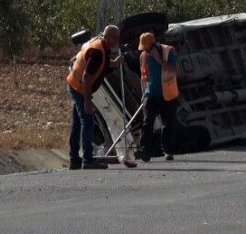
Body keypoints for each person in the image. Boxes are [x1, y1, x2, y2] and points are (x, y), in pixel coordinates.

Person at [65, 25, 130, 170]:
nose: (116, 41)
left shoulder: (100, 45)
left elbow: (98, 66)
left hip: (74, 85)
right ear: (106, 36)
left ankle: (74, 159)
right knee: (87, 121)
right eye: (114, 37)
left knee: (77, 124)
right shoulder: (98, 52)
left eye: (118, 38)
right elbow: (87, 77)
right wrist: (88, 101)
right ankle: (87, 159)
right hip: (80, 88)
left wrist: (113, 64)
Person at [138, 32, 180, 162]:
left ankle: (167, 151)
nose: (145, 50)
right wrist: (143, 93)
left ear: (154, 44)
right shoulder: (143, 55)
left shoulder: (168, 51)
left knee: (168, 124)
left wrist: (159, 60)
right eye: (143, 47)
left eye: (147, 47)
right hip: (150, 94)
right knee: (147, 123)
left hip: (167, 94)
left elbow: (175, 70)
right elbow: (143, 75)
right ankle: (145, 152)